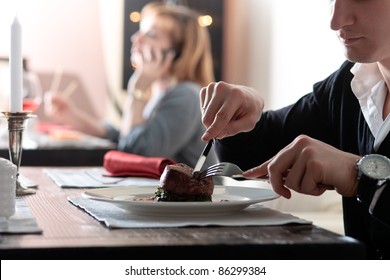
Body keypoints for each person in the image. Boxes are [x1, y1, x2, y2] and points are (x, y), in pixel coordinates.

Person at [200, 0, 390, 259]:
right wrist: (245, 109)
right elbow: (253, 159)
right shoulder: (350, 83)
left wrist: (360, 175)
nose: (336, 21)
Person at [45, 2, 217, 167]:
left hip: (196, 197)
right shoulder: (164, 93)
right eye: (140, 31)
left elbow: (135, 153)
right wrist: (74, 117)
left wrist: (138, 88)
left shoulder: (186, 95)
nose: (136, 38)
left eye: (151, 35)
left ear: (177, 53)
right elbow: (128, 136)